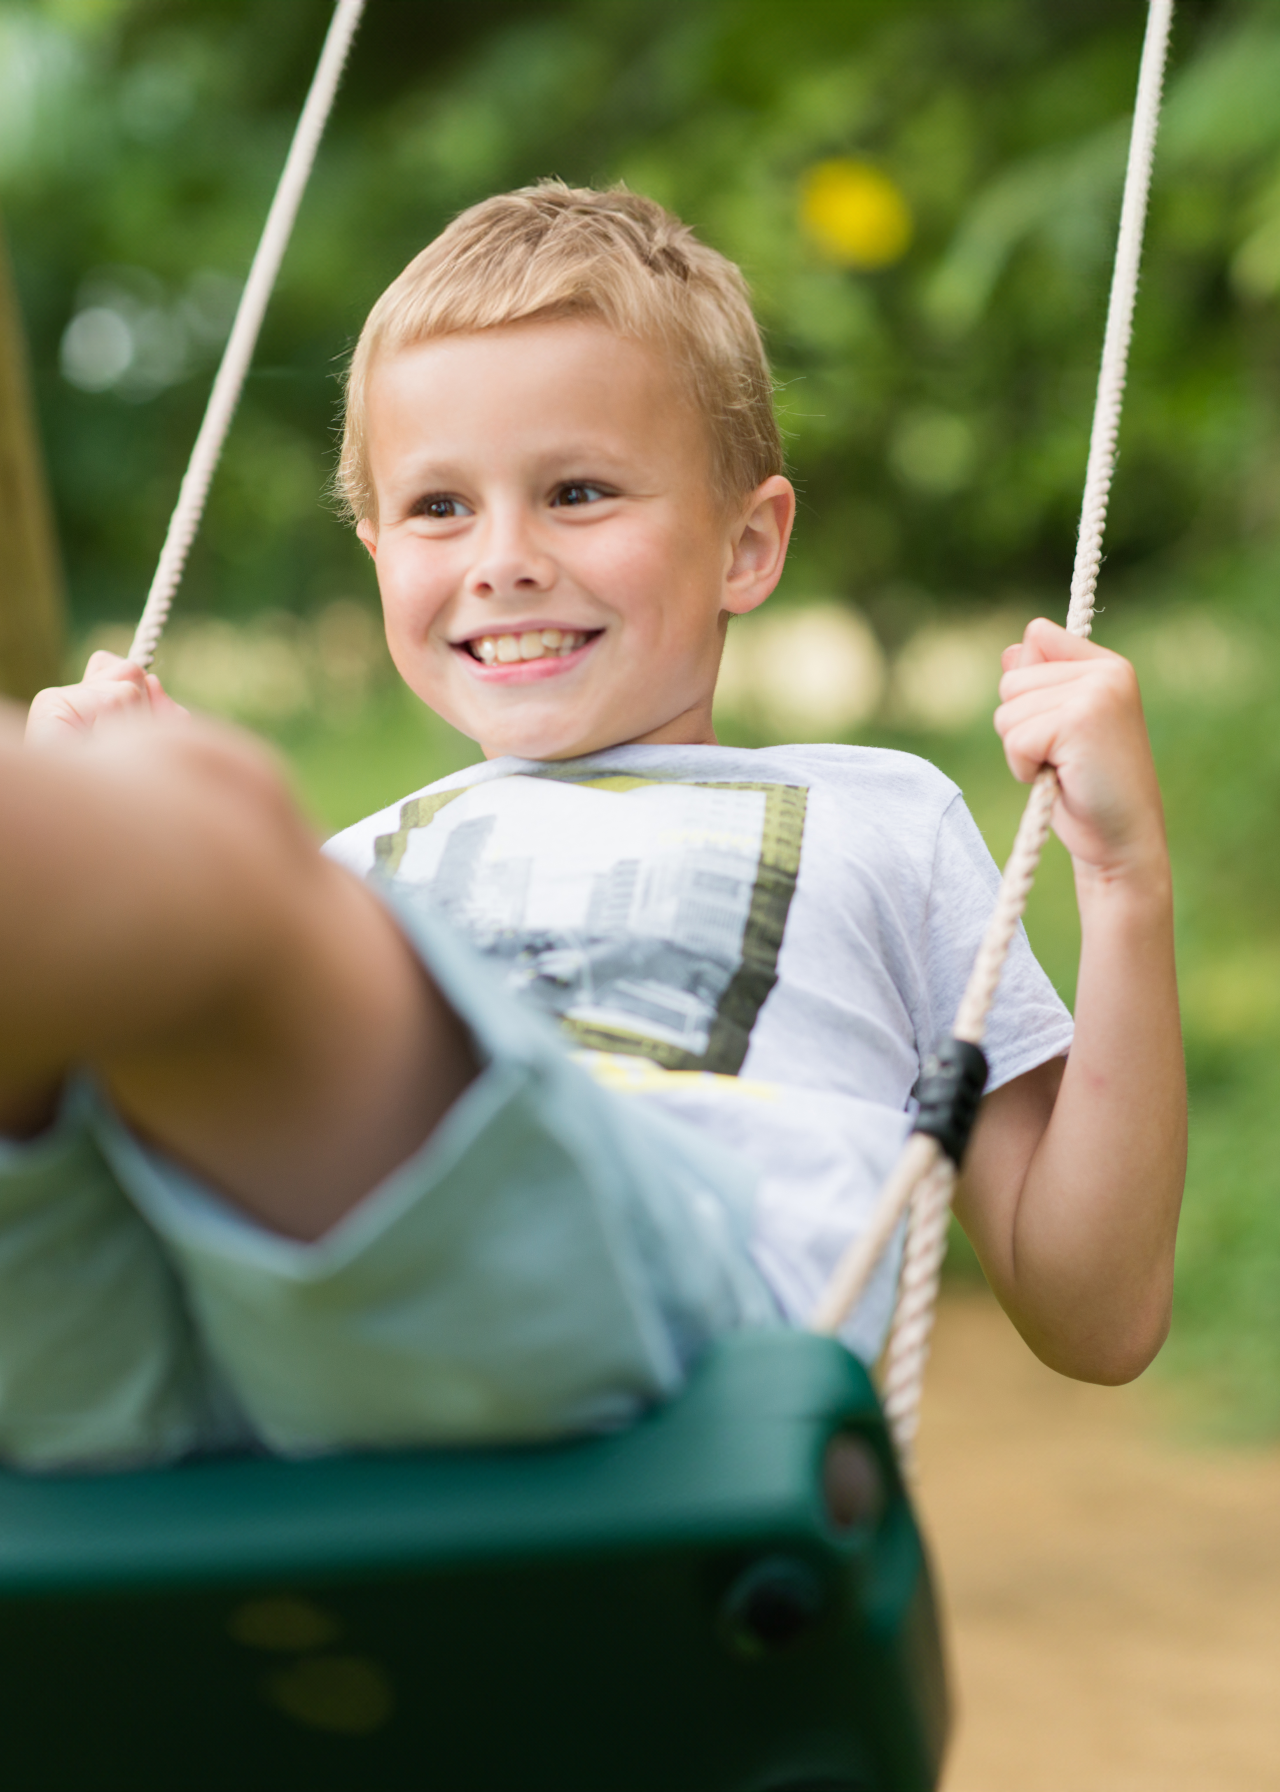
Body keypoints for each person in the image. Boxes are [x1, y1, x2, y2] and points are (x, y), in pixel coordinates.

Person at [3, 184, 1185, 1471]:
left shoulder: (882, 817)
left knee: (207, 842)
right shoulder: (357, 867)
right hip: (254, 1372)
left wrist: (1124, 883)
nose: (501, 557)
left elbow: (1095, 1311)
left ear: (746, 544)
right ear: (377, 548)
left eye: (575, 491)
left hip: (673, 1348)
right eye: (438, 508)